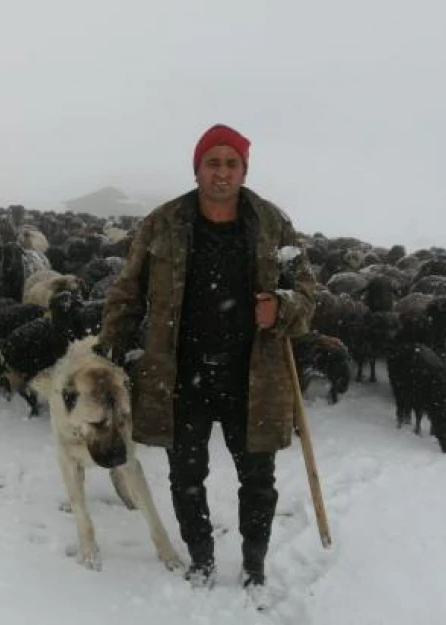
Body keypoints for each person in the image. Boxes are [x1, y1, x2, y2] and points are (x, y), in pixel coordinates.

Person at [95, 123, 316, 589]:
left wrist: (284, 306)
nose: (222, 173)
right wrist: (110, 349)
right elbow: (127, 292)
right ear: (197, 168)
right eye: (212, 163)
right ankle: (201, 556)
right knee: (186, 475)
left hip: (252, 375)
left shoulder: (273, 224)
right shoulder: (163, 223)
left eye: (231, 163)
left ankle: (254, 562)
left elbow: (309, 293)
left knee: (258, 478)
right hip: (181, 372)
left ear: (244, 169)